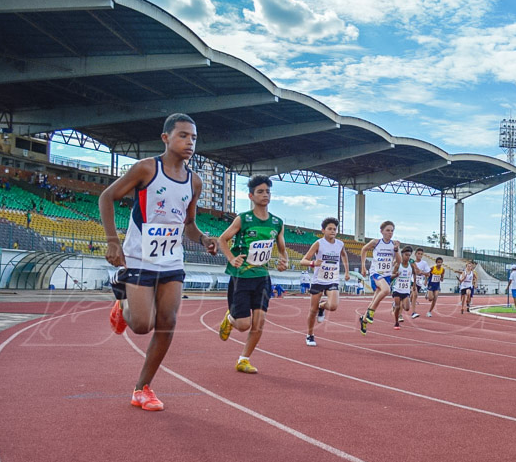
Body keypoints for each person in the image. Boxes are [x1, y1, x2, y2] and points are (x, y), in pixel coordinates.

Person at [100, 113, 217, 412]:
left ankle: (143, 388)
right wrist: (113, 240)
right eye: (182, 135)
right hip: (140, 256)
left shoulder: (195, 182)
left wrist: (203, 239)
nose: (189, 142)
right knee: (141, 325)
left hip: (171, 259)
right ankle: (122, 298)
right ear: (165, 138)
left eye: (193, 137)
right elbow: (106, 197)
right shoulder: (146, 169)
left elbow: (189, 224)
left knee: (168, 322)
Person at [216, 176, 289, 373]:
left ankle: (243, 359)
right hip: (241, 277)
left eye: (267, 192)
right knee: (243, 325)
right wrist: (232, 258)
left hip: (262, 278)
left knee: (259, 322)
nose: (265, 195)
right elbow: (222, 240)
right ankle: (230, 319)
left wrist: (284, 260)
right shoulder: (244, 219)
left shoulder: (277, 222)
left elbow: (282, 248)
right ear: (251, 196)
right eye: (260, 192)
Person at [300, 216, 350, 346]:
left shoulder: (340, 244)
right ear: (323, 230)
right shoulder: (318, 243)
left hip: (332, 279)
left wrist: (347, 271)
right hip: (318, 280)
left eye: (335, 229)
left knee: (333, 306)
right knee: (312, 310)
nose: (333, 231)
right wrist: (313, 263)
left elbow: (344, 255)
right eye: (330, 229)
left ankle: (322, 306)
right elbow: (303, 260)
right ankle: (310, 335)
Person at [358, 220, 401, 335]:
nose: (390, 233)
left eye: (392, 231)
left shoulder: (394, 244)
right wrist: (363, 266)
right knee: (386, 290)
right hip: (376, 273)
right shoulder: (376, 242)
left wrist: (396, 250)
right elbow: (363, 250)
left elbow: (399, 261)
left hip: (386, 275)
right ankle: (371, 311)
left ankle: (363, 319)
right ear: (381, 231)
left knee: (374, 299)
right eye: (387, 230)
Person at [390, 246, 416, 329]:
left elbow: (414, 274)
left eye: (409, 255)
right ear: (402, 255)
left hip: (406, 291)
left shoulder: (411, 266)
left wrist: (414, 285)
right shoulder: (398, 265)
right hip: (397, 289)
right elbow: (391, 276)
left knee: (407, 308)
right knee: (398, 307)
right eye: (406, 255)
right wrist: (395, 275)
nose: (407, 257)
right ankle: (396, 322)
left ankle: (395, 305)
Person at [409, 247, 430, 318]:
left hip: (419, 281)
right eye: (418, 254)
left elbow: (428, 273)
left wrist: (424, 276)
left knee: (412, 296)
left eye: (421, 254)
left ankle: (408, 300)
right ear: (415, 254)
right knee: (415, 295)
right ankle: (413, 312)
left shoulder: (424, 263)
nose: (420, 255)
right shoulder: (412, 262)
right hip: (412, 280)